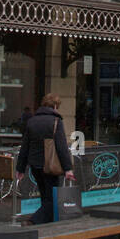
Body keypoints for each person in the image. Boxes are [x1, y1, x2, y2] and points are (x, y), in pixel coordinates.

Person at [15, 93, 75, 225]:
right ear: (55, 106)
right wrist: (68, 169)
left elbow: (25, 146)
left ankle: (46, 224)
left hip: (35, 165)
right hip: (51, 165)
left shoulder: (31, 121)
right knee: (52, 199)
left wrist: (20, 168)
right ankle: (33, 221)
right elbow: (62, 147)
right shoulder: (56, 121)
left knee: (45, 196)